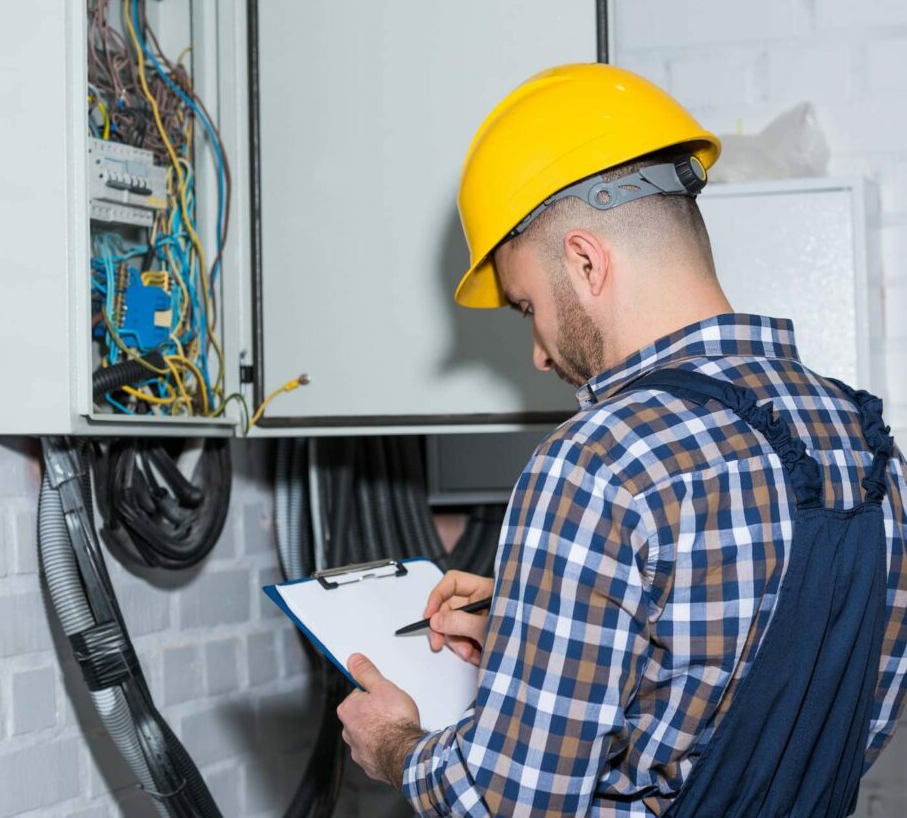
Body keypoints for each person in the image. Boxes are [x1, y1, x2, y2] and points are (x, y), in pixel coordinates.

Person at [336, 63, 907, 817]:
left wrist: (394, 745)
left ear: (584, 260)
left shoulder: (598, 460)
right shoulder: (865, 444)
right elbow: (791, 685)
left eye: (525, 305)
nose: (539, 353)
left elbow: (508, 803)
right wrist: (539, 615)